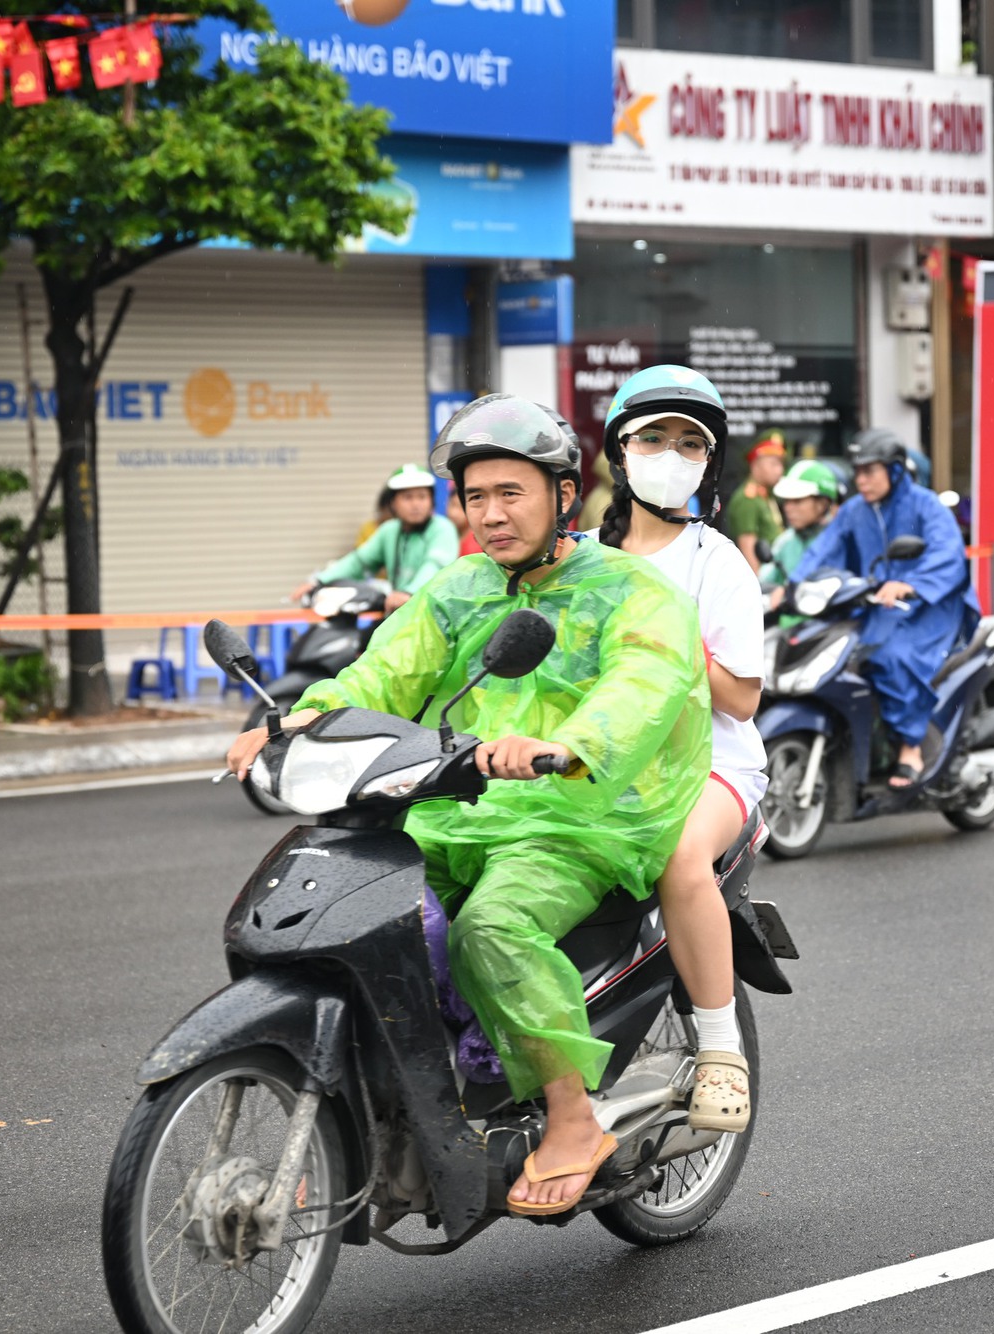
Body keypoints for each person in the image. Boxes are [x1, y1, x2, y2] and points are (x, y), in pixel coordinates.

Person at [227, 395, 711, 1217]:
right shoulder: (459, 589)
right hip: (456, 806)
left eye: (509, 493)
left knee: (493, 928)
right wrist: (295, 718)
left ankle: (571, 1116)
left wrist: (570, 745)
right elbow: (385, 673)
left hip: (582, 812)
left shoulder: (633, 588)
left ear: (563, 494)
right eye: (475, 497)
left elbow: (644, 683)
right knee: (365, 912)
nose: (489, 515)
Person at [588, 365, 766, 1134]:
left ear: (708, 462)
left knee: (678, 859)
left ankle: (723, 1052)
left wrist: (666, 645)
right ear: (619, 452)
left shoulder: (714, 561)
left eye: (689, 442)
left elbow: (741, 698)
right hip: (597, 761)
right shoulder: (577, 559)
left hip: (710, 766)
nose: (670, 453)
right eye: (652, 437)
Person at [795, 432, 978, 789]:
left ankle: (911, 747)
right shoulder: (854, 510)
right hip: (878, 608)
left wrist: (910, 583)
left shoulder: (926, 505)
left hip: (931, 607)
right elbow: (821, 552)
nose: (860, 480)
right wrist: (791, 587)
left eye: (870, 471)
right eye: (857, 472)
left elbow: (948, 553)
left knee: (891, 657)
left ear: (894, 471)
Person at [295, 465, 459, 612]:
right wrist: (319, 581)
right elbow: (359, 561)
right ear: (393, 503)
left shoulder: (442, 528)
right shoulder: (390, 530)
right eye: (408, 497)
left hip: (435, 613)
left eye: (422, 497)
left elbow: (435, 565)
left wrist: (408, 592)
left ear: (431, 501)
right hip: (400, 612)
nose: (416, 504)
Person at [764, 459, 842, 584]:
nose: (788, 508)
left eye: (797, 500)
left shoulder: (842, 540)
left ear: (822, 503)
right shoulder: (784, 542)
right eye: (787, 500)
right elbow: (765, 581)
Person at [726, 430, 787, 571]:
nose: (780, 470)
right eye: (773, 464)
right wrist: (760, 585)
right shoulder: (748, 498)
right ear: (755, 465)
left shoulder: (765, 495)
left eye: (780, 464)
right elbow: (748, 546)